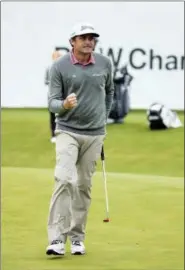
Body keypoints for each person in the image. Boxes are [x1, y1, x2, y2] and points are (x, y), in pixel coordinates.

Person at [46, 22, 114, 256]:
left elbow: (110, 92)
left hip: (95, 134)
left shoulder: (105, 63)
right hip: (67, 130)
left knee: (83, 186)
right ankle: (56, 238)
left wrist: (102, 119)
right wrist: (64, 105)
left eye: (92, 38)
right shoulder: (59, 67)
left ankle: (77, 238)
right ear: (72, 42)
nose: (89, 41)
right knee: (63, 179)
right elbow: (52, 103)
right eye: (83, 37)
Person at [44, 50, 62, 143]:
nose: (57, 58)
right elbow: (46, 81)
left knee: (63, 115)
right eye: (56, 56)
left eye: (59, 56)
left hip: (62, 96)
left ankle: (63, 133)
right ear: (53, 58)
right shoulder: (49, 68)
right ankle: (53, 134)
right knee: (52, 116)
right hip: (52, 95)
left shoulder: (64, 68)